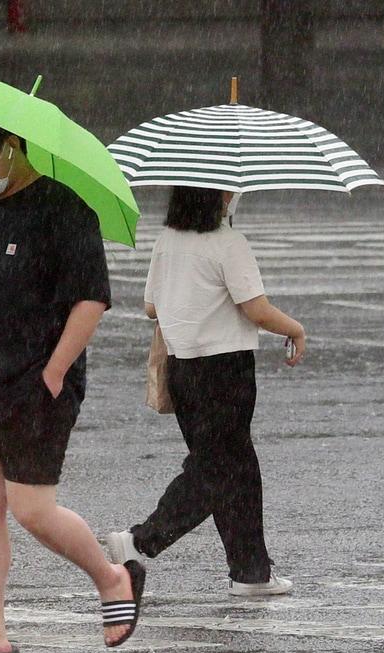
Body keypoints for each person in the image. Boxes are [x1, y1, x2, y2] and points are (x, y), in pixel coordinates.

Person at [0, 111, 142, 653]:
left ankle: (112, 577)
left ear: (11, 145)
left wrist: (56, 370)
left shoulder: (64, 210)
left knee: (32, 507)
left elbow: (91, 298)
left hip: (38, 377)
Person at [106, 186, 305, 597]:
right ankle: (141, 540)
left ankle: (252, 572)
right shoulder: (229, 243)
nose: (237, 193)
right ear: (216, 193)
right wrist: (294, 328)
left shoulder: (167, 240)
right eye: (232, 189)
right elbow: (256, 309)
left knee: (237, 470)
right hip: (225, 369)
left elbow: (151, 307)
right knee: (217, 469)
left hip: (184, 369)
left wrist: (191, 300)